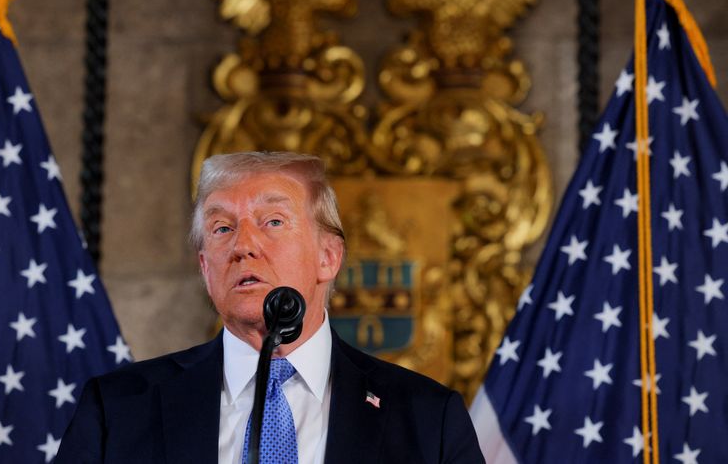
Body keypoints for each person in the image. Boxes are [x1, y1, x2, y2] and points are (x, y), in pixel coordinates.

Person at [56, 151, 484, 463]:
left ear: (328, 258)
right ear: (206, 268)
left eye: (273, 222)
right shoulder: (118, 409)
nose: (243, 245)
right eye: (222, 228)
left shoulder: (429, 419)